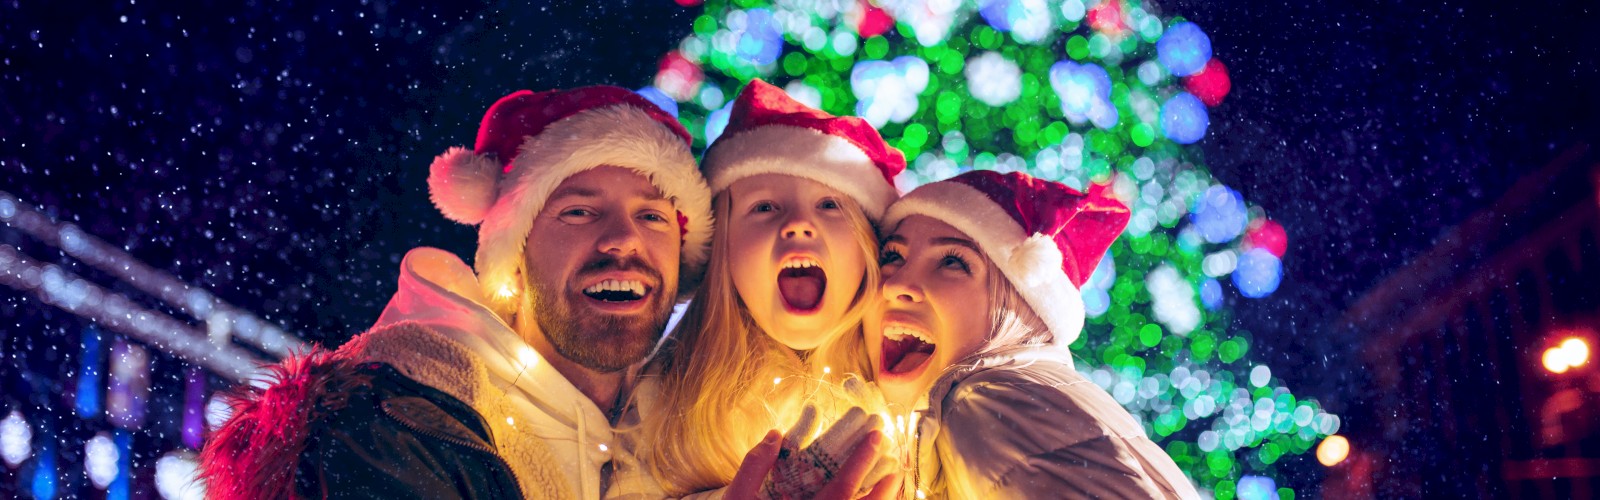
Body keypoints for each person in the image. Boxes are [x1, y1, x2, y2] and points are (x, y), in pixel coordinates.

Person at [199, 86, 715, 500]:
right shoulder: (392, 427)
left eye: (652, 215)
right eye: (578, 211)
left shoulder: (688, 441)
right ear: (514, 252)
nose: (624, 238)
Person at [631, 79, 904, 498]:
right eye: (764, 207)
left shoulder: (908, 389)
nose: (797, 222)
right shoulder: (660, 398)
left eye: (830, 205)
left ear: (867, 247)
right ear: (726, 251)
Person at [864, 170, 1201, 498]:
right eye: (893, 256)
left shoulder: (990, 402)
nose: (896, 285)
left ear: (1020, 303)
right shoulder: (1035, 393)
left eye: (953, 262)